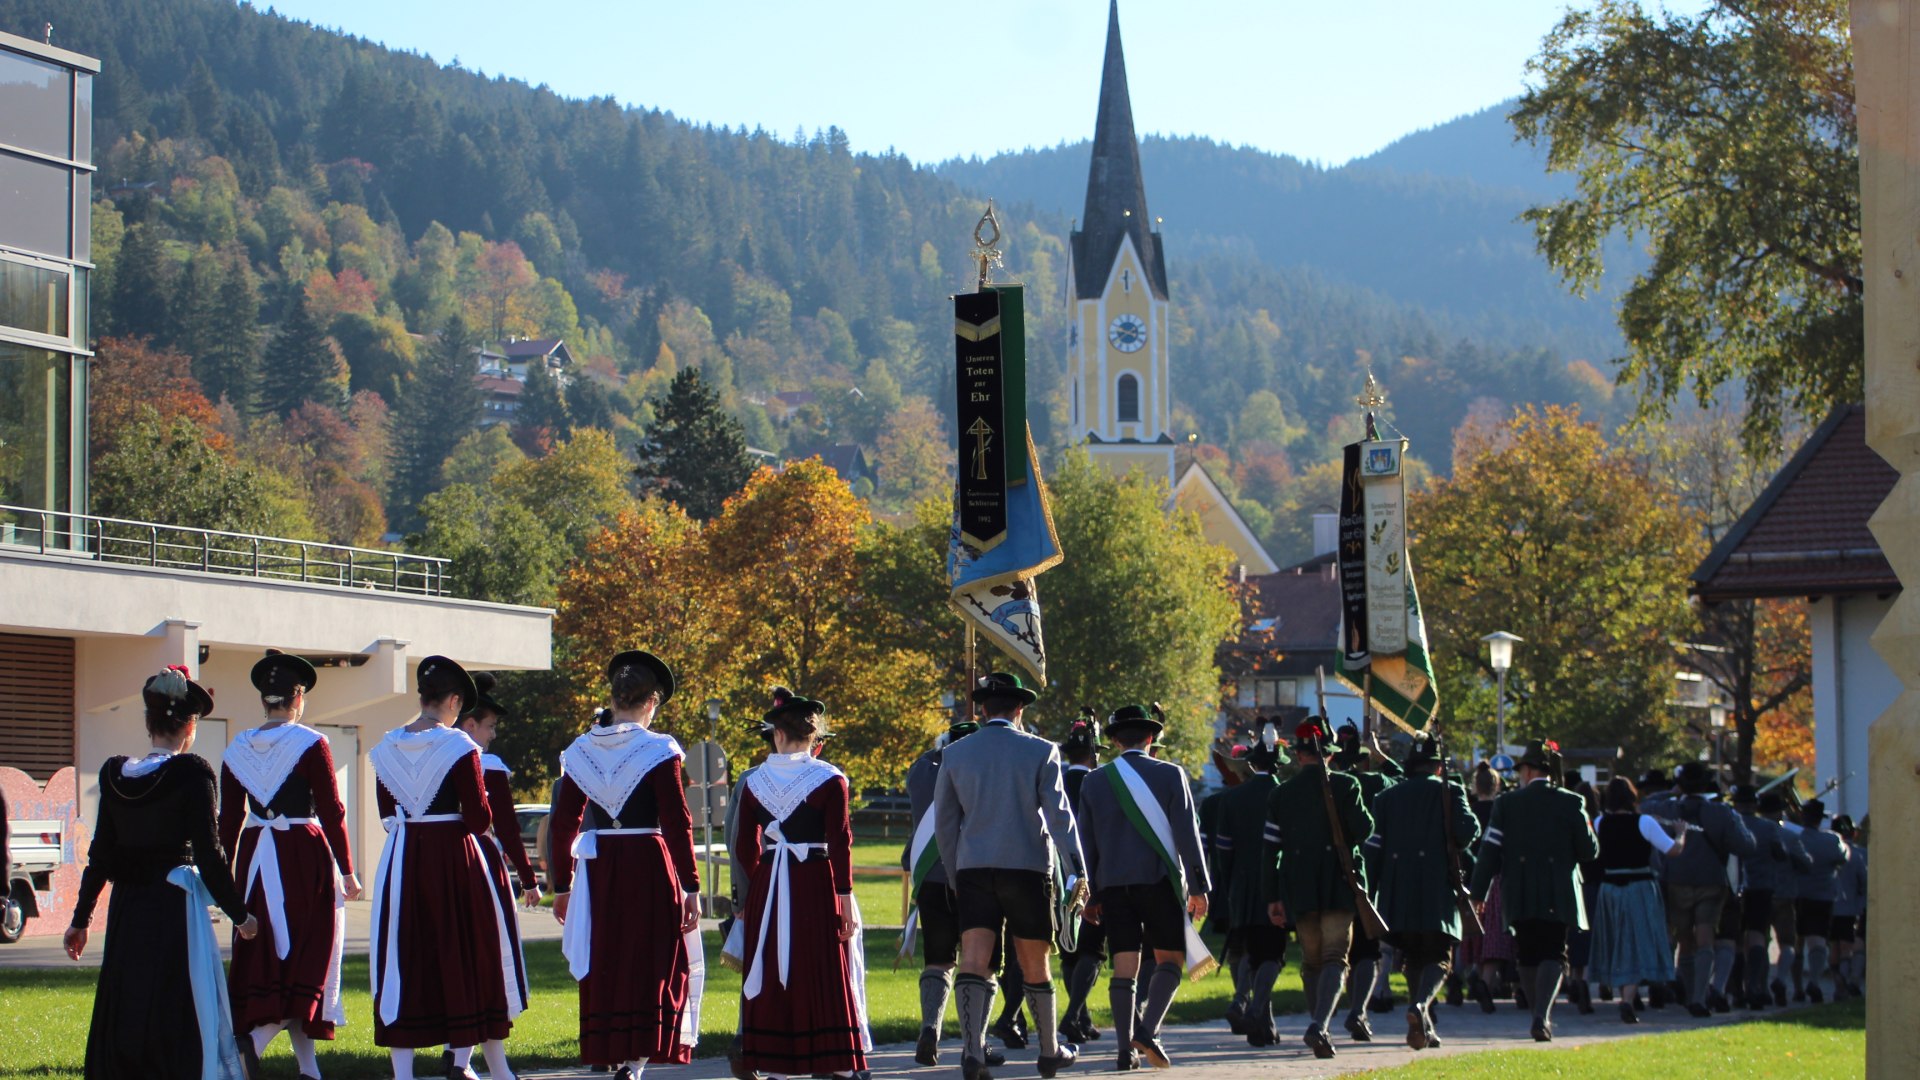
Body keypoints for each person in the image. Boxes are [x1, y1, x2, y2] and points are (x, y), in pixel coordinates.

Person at [66, 667, 261, 1080]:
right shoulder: (193, 774)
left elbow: (100, 854)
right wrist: (240, 915)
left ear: (148, 721)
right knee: (174, 1002)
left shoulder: (115, 775)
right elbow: (210, 855)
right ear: (190, 726)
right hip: (174, 910)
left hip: (128, 909)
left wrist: (80, 920)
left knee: (129, 998)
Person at [548, 650, 702, 1077]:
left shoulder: (581, 750)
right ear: (651, 703)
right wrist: (691, 885)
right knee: (651, 957)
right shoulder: (658, 749)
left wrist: (563, 885)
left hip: (600, 868)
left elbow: (562, 824)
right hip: (649, 863)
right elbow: (677, 821)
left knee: (609, 958)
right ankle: (634, 1062)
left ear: (614, 699)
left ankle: (612, 1052)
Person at [368, 656, 519, 1080]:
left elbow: (386, 814)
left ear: (422, 696)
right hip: (453, 859)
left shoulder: (386, 746)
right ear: (454, 701)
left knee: (403, 956)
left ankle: (403, 1073)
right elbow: (477, 819)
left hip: (402, 860)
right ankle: (467, 1059)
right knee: (465, 952)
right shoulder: (460, 746)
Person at [933, 672, 1085, 1080]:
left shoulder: (956, 754)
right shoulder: (1041, 750)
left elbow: (945, 826)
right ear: (1020, 709)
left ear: (982, 709)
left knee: (975, 958)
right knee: (1035, 960)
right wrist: (1077, 870)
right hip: (1026, 867)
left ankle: (971, 1052)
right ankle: (1050, 1050)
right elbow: (1059, 818)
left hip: (973, 867)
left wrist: (954, 872)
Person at [220, 650, 359, 1079]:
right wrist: (348, 870)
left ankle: (308, 1069)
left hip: (256, 858)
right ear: (297, 697)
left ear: (266, 698)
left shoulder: (237, 746)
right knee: (307, 958)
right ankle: (250, 1049)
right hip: (302, 855)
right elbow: (333, 811)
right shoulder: (310, 743)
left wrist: (226, 879)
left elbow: (228, 819)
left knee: (271, 954)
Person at [734, 688, 867, 1080]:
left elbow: (744, 845)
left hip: (769, 884)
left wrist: (761, 881)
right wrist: (844, 898)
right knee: (821, 969)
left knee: (778, 966)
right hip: (815, 882)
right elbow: (841, 843)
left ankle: (778, 1064)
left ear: (777, 733)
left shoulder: (755, 780)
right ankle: (835, 1061)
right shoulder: (829, 778)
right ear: (814, 736)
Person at [1078, 703, 1211, 1071]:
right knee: (1170, 960)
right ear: (1151, 738)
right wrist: (1199, 886)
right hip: (1157, 883)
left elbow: (1086, 844)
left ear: (1115, 740)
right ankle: (1148, 1031)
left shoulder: (1094, 781)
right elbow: (1188, 835)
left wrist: (1090, 893)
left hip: (1113, 888)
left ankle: (1124, 1050)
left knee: (1125, 967)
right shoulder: (1171, 774)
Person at [1469, 739, 1599, 1042]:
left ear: (1528, 770)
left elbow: (1489, 852)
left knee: (1526, 954)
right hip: (1558, 890)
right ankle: (1543, 1014)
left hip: (1520, 889)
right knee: (1554, 951)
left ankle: (1536, 1014)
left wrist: (1478, 894)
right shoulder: (1570, 802)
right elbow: (1589, 851)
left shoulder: (1507, 803)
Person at [1260, 718, 1371, 1060]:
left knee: (1312, 962)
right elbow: (1364, 829)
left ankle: (1316, 1022)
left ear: (1300, 754)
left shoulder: (1281, 793)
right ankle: (1320, 1026)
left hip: (1299, 887)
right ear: (1330, 754)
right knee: (1335, 957)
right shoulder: (1347, 785)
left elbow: (1270, 850)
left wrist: (1272, 897)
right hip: (1338, 883)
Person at [1363, 732, 1478, 1051]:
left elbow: (1374, 851)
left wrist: (1369, 895)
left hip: (1397, 890)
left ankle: (1423, 1025)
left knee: (1413, 955)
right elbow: (1468, 833)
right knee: (1440, 956)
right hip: (1437, 886)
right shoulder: (1450, 791)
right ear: (1437, 767)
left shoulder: (1386, 798)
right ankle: (1421, 1006)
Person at [902, 715, 1005, 1068]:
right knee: (984, 964)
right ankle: (974, 1043)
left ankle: (930, 1027)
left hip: (931, 875)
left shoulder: (921, 769)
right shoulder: (980, 767)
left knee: (939, 959)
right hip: (976, 873)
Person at [1211, 724, 1288, 1048]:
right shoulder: (1286, 793)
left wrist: (1228, 889)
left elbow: (1223, 851)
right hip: (1277, 886)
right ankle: (1256, 1010)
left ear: (1252, 764)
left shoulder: (1232, 798)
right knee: (1272, 954)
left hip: (1241, 887)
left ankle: (1260, 1023)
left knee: (1253, 954)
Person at [1657, 762, 1755, 1017]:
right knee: (1705, 939)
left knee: (1685, 941)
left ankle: (1690, 994)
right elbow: (1747, 845)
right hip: (1712, 881)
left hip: (1677, 880)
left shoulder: (1667, 808)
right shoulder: (1722, 813)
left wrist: (1672, 791)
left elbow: (1644, 805)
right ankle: (1699, 997)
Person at [1587, 777, 1680, 1024]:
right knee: (1638, 940)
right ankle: (1629, 998)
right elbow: (1672, 850)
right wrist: (1682, 834)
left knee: (1617, 940)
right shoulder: (1644, 822)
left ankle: (1625, 994)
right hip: (1639, 887)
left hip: (1610, 888)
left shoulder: (1599, 822)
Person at [1056, 713, 1108, 1048]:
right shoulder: (1100, 783)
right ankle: (1074, 1014)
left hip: (1058, 874)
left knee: (1068, 951)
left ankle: (1082, 1017)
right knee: (1091, 950)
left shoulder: (1056, 780)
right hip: (1092, 873)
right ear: (1093, 754)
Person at [1729, 784, 1789, 1011]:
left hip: (1735, 887)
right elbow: (1780, 854)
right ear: (1755, 804)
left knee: (1735, 940)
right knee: (1757, 937)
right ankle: (1756, 986)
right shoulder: (1768, 827)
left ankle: (1736, 990)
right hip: (1762, 887)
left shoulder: (1731, 824)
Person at [1791, 798, 1849, 1004]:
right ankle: (1814, 981)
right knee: (1817, 940)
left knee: (1795, 942)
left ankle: (1796, 987)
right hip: (1822, 896)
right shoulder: (1831, 840)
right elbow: (1844, 856)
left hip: (1796, 894)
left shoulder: (1793, 837)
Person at [1760, 792, 1812, 1006]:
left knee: (1758, 942)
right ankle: (1781, 978)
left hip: (1759, 892)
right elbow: (1806, 864)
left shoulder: (1755, 831)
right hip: (1785, 893)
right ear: (1780, 811)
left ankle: (1760, 987)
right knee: (1788, 942)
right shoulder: (1791, 836)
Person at [1829, 814, 1867, 1000]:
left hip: (1828, 906)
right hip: (1850, 908)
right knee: (1847, 947)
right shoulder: (1860, 855)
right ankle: (1845, 982)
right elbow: (1865, 883)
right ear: (1854, 833)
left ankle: (1839, 983)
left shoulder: (1825, 848)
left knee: (1833, 947)